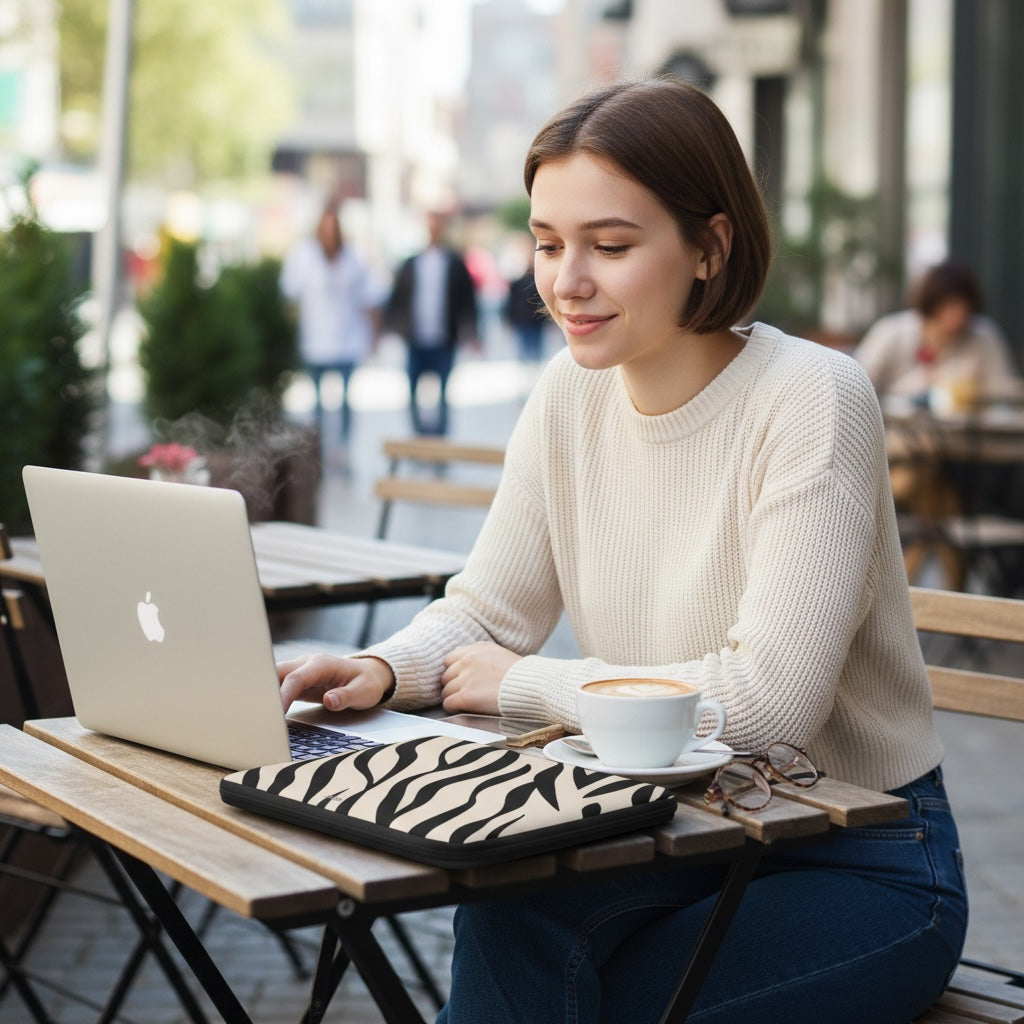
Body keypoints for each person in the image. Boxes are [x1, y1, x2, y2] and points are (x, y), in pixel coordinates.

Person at [278, 79, 967, 1023]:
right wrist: (378, 671)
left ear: (709, 247)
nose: (566, 281)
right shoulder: (568, 396)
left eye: (610, 245)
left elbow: (768, 707)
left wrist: (529, 686)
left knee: (620, 1001)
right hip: (673, 827)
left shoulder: (814, 397)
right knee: (503, 904)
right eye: (547, 243)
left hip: (858, 853)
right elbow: (487, 611)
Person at [855, 261, 1022, 409]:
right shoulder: (891, 332)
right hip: (896, 436)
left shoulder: (983, 335)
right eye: (949, 306)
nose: (957, 316)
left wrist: (970, 390)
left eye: (963, 308)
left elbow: (1005, 388)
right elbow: (857, 387)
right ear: (930, 304)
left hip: (968, 437)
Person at [280, 201, 376, 452]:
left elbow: (367, 297)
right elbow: (290, 292)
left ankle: (342, 448)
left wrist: (374, 336)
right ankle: (320, 449)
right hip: (315, 340)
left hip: (347, 340)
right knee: (318, 402)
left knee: (344, 399)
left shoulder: (352, 257)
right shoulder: (304, 255)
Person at [383, 211, 479, 436]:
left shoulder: (455, 263)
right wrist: (391, 328)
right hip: (415, 339)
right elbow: (397, 297)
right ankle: (420, 438)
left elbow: (468, 300)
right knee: (412, 393)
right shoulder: (411, 263)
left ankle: (440, 443)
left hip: (445, 339)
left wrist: (473, 332)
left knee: (444, 395)